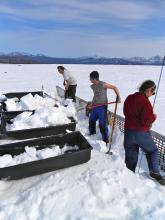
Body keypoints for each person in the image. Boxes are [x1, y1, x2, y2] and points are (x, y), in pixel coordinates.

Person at [123, 80, 163, 180]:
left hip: (128, 132)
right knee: (153, 151)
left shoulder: (129, 97)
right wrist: (153, 117)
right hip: (140, 133)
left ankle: (128, 175)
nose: (152, 95)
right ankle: (154, 172)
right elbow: (146, 121)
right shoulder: (145, 102)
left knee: (131, 155)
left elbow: (125, 112)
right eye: (152, 92)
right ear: (148, 90)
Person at [88, 71, 121, 144]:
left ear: (94, 78)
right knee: (91, 120)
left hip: (102, 106)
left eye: (90, 78)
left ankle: (105, 140)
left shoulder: (103, 84)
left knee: (102, 123)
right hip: (95, 106)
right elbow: (95, 95)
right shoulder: (93, 86)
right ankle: (92, 134)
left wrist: (118, 97)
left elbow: (114, 87)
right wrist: (92, 104)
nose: (89, 80)